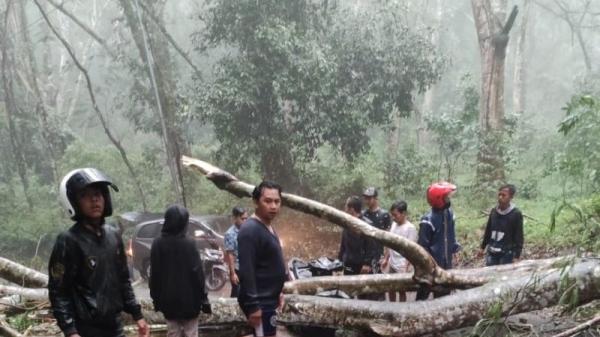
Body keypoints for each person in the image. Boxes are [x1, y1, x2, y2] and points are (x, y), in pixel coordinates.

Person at [48, 168, 149, 337]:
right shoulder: (68, 241)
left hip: (115, 325)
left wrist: (137, 315)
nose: (94, 199)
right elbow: (59, 291)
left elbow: (123, 280)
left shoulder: (113, 235)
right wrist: (70, 330)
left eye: (98, 194)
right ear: (73, 202)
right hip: (86, 329)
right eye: (85, 195)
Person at [149, 205, 212, 337]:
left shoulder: (157, 243)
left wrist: (156, 298)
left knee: (173, 333)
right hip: (190, 302)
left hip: (168, 302)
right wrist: (204, 298)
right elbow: (198, 274)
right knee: (191, 333)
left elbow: (154, 275)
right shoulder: (189, 243)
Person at [237, 181, 288, 337]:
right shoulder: (250, 230)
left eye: (277, 201)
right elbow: (247, 270)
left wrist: (279, 292)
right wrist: (253, 306)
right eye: (267, 201)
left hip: (268, 299)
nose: (273, 206)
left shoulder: (268, 226)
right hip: (260, 302)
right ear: (255, 202)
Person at [416, 181, 461, 300]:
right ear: (438, 199)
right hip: (431, 265)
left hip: (446, 262)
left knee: (443, 292)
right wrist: (426, 265)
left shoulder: (449, 214)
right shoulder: (428, 220)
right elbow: (422, 246)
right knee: (423, 292)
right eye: (445, 197)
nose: (448, 199)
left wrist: (455, 248)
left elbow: (451, 234)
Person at [381, 201, 417, 302]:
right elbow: (390, 243)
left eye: (395, 215)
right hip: (392, 263)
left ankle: (401, 310)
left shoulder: (410, 228)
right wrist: (386, 258)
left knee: (401, 290)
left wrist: (407, 266)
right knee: (390, 288)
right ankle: (392, 308)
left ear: (403, 213)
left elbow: (411, 250)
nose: (393, 217)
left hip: (402, 264)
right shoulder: (393, 225)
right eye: (392, 215)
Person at [480, 184, 524, 266]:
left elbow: (519, 236)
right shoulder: (494, 211)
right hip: (492, 252)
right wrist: (482, 247)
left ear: (511, 197)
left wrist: (517, 255)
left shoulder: (515, 214)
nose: (500, 197)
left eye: (504, 195)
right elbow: (488, 230)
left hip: (507, 253)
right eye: (499, 195)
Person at [338, 196, 373, 277]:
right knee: (347, 286)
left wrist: (367, 264)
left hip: (360, 264)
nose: (345, 208)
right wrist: (339, 261)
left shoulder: (366, 224)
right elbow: (343, 242)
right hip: (348, 261)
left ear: (352, 209)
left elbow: (370, 246)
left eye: (346, 206)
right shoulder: (346, 221)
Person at [362, 187, 392, 273]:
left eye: (369, 198)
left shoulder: (384, 215)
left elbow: (388, 238)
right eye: (365, 198)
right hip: (365, 254)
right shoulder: (363, 214)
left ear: (375, 198)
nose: (367, 200)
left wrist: (386, 257)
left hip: (379, 254)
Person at [224, 206, 248, 297]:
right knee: (236, 293)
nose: (245, 221)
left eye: (246, 218)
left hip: (247, 267)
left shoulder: (248, 230)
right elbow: (230, 255)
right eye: (242, 219)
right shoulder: (230, 234)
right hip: (237, 268)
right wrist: (233, 273)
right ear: (235, 218)